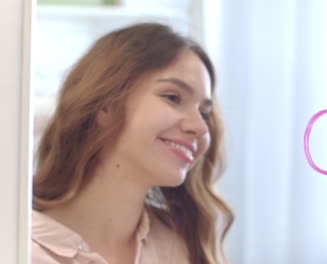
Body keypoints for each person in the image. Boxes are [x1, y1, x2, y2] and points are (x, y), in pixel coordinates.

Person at [31, 23, 234, 264]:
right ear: (105, 104)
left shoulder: (184, 245)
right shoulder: (20, 247)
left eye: (204, 112)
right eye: (173, 97)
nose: (200, 127)